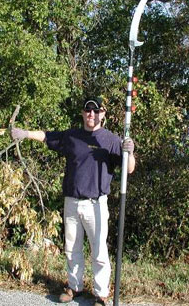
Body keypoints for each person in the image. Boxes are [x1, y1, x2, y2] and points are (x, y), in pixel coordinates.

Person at [10, 96, 135, 306]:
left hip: (96, 203)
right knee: (72, 249)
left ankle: (100, 294)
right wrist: (24, 134)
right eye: (88, 111)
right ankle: (74, 287)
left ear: (103, 114)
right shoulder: (72, 136)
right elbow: (48, 136)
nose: (91, 115)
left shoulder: (111, 140)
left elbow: (129, 169)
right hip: (72, 201)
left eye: (96, 111)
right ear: (83, 113)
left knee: (99, 252)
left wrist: (129, 152)